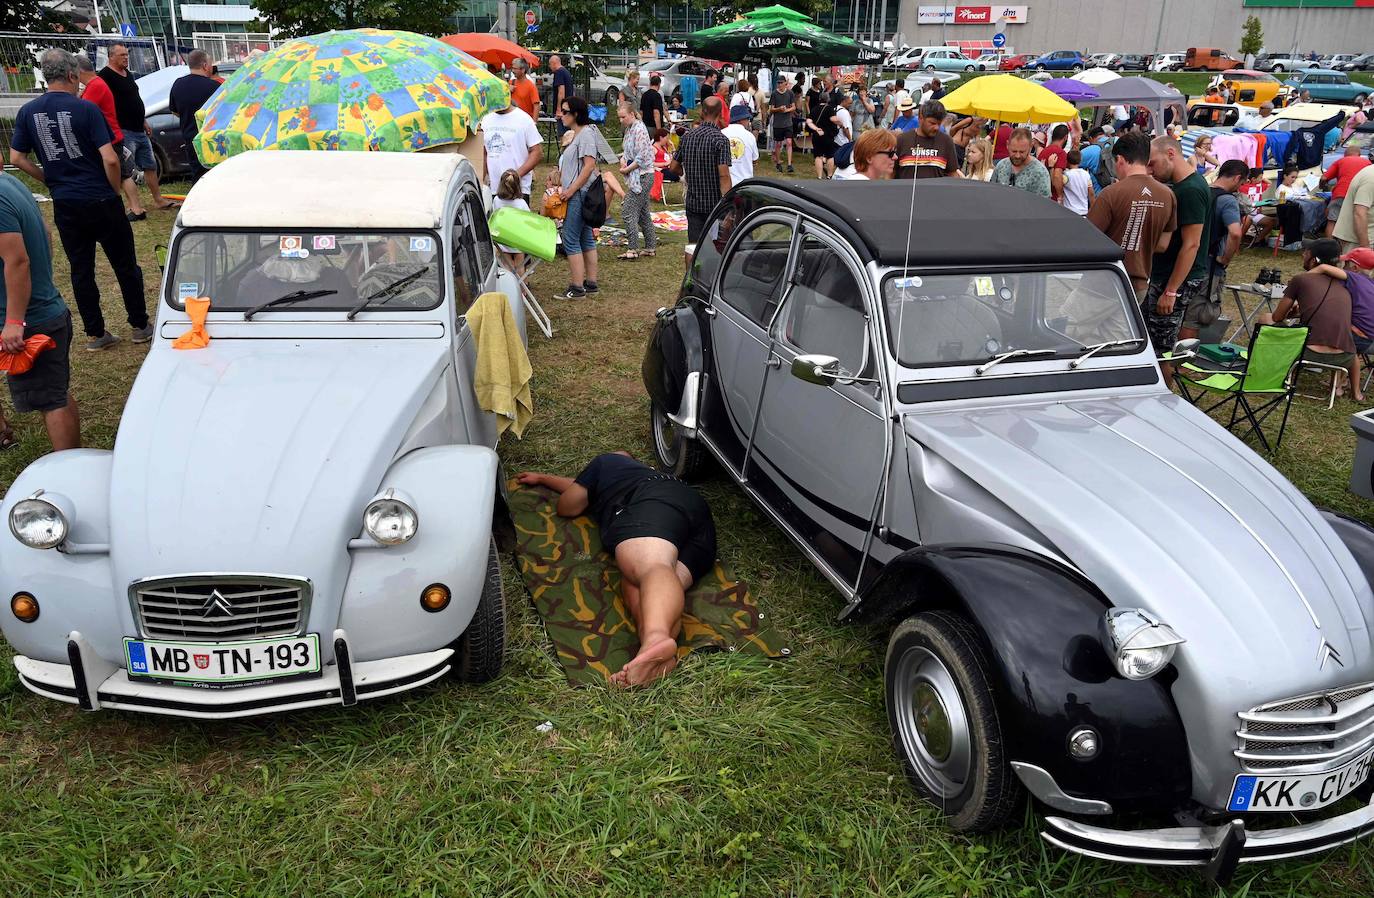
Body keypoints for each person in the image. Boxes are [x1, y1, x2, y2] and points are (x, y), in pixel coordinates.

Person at [516, 452, 717, 687]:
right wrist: (543, 478)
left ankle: (655, 637)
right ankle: (650, 657)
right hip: (697, 525)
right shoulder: (635, 474)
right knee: (642, 582)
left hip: (656, 505)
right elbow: (582, 486)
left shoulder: (606, 461)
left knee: (652, 567)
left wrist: (567, 481)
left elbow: (568, 505)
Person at [9, 49, 150, 352]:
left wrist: (49, 178)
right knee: (125, 265)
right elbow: (110, 159)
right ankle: (140, 325)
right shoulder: (85, 110)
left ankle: (95, 333)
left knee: (81, 269)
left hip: (66, 202)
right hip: (100, 197)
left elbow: (16, 157)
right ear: (73, 75)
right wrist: (113, 190)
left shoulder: (27, 112)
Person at [0, 169, 81, 451]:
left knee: (51, 400)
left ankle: (69, 468)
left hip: (31, 321)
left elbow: (18, 261)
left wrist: (14, 321)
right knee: (55, 392)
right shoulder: (10, 183)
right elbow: (45, 233)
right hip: (41, 310)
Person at [1146, 135, 1213, 386]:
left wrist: (1171, 290)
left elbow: (1192, 243)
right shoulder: (1182, 186)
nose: (1151, 170)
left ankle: (1163, 402)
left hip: (1175, 280)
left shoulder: (1192, 190)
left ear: (1171, 153)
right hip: (1166, 275)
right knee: (1153, 342)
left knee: (1160, 349)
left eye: (1153, 163)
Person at [1257, 238, 1359, 396]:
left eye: (1306, 253)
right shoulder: (1347, 284)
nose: (1302, 255)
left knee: (1265, 318)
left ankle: (1265, 373)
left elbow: (1277, 317)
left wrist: (1289, 314)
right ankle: (1336, 386)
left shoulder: (1301, 279)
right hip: (1344, 358)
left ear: (1314, 260)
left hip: (1309, 354)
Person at [1087, 130, 1177, 303]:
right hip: (1139, 285)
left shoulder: (1111, 194)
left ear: (1120, 159)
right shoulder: (1168, 195)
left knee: (1073, 328)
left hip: (1104, 283)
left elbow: (1090, 239)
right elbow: (1162, 245)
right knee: (1120, 331)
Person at [99, 43, 175, 211]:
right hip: (123, 130)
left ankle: (158, 199)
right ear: (111, 57)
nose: (126, 58)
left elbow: (134, 99)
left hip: (138, 128)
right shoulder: (105, 76)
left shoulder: (128, 74)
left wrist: (143, 121)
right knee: (125, 170)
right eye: (122, 55)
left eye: (127, 54)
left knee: (150, 165)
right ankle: (134, 206)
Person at [1184, 159, 1248, 342]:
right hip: (1208, 266)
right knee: (1194, 318)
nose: (1240, 187)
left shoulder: (1200, 192)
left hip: (1185, 259)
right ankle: (1180, 363)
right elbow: (1235, 233)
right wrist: (1226, 258)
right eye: (1242, 183)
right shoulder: (1227, 200)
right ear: (1237, 178)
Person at [73, 53, 140, 222]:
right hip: (113, 135)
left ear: (78, 71)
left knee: (117, 175)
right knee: (124, 175)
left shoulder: (95, 85)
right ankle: (136, 208)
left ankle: (127, 208)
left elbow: (82, 110)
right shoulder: (96, 84)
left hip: (109, 138)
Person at [552, 96, 602, 299]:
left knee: (570, 240)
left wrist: (570, 190)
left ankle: (577, 287)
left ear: (576, 114)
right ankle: (590, 283)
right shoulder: (581, 134)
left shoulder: (585, 135)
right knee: (585, 238)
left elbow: (589, 165)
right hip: (580, 193)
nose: (560, 115)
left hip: (579, 194)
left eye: (564, 112)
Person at [671, 95, 731, 244]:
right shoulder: (721, 140)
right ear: (720, 114)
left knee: (693, 246)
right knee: (714, 245)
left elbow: (673, 167)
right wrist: (728, 203)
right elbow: (724, 176)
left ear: (702, 113)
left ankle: (690, 268)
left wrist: (684, 173)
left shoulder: (687, 137)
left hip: (693, 201)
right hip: (714, 203)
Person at [167, 50, 220, 185]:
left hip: (190, 138)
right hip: (212, 139)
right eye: (210, 64)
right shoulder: (214, 87)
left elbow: (175, 111)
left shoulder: (178, 84)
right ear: (204, 65)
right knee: (215, 174)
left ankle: (197, 201)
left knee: (197, 174)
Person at [480, 89, 542, 202]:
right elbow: (483, 153)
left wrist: (515, 176)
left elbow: (537, 152)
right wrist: (481, 181)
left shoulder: (524, 119)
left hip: (518, 190)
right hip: (494, 189)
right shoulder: (486, 119)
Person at [616, 100, 657, 261]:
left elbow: (642, 157)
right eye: (619, 117)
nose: (621, 120)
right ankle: (650, 246)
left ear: (632, 114)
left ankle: (633, 248)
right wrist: (623, 159)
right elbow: (627, 150)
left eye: (623, 117)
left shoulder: (640, 129)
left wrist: (627, 169)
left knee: (628, 211)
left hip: (643, 176)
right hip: (638, 174)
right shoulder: (630, 129)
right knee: (643, 213)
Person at [895, 99, 959, 180]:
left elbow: (953, 174)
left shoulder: (946, 141)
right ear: (921, 118)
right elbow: (892, 171)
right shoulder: (902, 140)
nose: (936, 127)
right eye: (932, 123)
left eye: (939, 124)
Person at [1323, 146, 1372, 238]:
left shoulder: (1340, 161)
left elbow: (1324, 178)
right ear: (1360, 155)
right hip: (1360, 195)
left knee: (1332, 221)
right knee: (1356, 220)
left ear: (1345, 155)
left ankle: (1329, 246)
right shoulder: (1368, 163)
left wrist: (1322, 186)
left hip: (1340, 194)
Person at [991, 128, 1051, 197]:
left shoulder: (1040, 173)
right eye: (1014, 151)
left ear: (1031, 146)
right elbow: (992, 193)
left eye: (1022, 152)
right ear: (1007, 145)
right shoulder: (1001, 166)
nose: (1017, 156)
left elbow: (1043, 205)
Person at [492, 169, 531, 274]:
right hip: (518, 241)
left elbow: (494, 217)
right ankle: (522, 288)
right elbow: (528, 220)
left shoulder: (496, 200)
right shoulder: (521, 203)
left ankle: (508, 287)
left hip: (503, 239)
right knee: (520, 267)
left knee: (506, 267)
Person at [1334, 163, 1374, 251]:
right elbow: (1359, 212)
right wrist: (1365, 248)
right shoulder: (1371, 178)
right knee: (1353, 264)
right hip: (1360, 241)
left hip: (1367, 238)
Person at [805, 91, 839, 179]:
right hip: (828, 135)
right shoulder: (830, 109)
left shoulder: (814, 109)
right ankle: (829, 175)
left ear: (819, 99)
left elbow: (809, 122)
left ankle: (819, 176)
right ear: (828, 99)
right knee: (830, 155)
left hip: (817, 135)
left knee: (818, 155)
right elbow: (833, 119)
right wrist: (841, 123)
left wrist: (815, 128)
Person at [722, 104, 758, 188]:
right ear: (741, 120)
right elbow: (755, 160)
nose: (748, 122)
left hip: (725, 184)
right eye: (747, 119)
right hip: (745, 184)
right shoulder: (750, 136)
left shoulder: (721, 133)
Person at [767, 75, 795, 173]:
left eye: (780, 83)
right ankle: (778, 162)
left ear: (785, 83)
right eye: (778, 83)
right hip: (778, 123)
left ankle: (789, 164)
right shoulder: (774, 94)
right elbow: (771, 109)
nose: (779, 85)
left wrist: (787, 110)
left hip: (788, 122)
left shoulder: (790, 93)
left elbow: (793, 107)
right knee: (778, 143)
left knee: (789, 142)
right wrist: (779, 109)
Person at [1039, 124, 1071, 202]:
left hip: (1040, 194)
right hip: (1052, 198)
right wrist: (1060, 196)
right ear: (1066, 137)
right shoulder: (1060, 153)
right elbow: (1057, 176)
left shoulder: (1044, 151)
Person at [1062, 150, 1095, 215]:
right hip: (1083, 212)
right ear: (1080, 161)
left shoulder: (1066, 175)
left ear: (1067, 161)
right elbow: (1091, 193)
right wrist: (1092, 209)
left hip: (1069, 212)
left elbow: (1056, 184)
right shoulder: (1086, 174)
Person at [550, 55, 574, 135]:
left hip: (563, 110)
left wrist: (559, 109)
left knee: (563, 135)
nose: (550, 67)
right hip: (569, 107)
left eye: (550, 64)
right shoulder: (566, 72)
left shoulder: (559, 72)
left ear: (553, 63)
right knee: (568, 134)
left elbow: (561, 92)